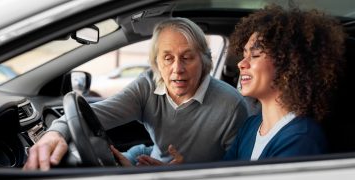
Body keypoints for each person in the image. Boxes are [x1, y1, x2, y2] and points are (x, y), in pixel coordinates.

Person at [24, 17, 249, 170]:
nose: (177, 69)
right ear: (156, 63)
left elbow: (239, 170)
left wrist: (184, 172)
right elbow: (92, 114)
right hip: (145, 162)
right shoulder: (147, 86)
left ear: (204, 60)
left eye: (187, 57)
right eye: (168, 58)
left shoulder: (231, 105)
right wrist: (55, 134)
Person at [223, 5, 346, 161]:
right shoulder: (250, 126)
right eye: (244, 54)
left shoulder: (302, 139)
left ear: (287, 66)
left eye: (254, 55)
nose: (241, 63)